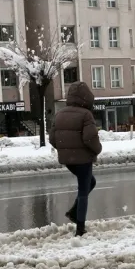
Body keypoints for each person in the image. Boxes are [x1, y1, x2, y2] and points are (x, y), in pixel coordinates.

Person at [49, 81, 103, 236]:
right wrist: (97, 149)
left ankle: (74, 212)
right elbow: (90, 138)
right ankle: (80, 228)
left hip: (68, 160)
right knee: (83, 191)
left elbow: (53, 138)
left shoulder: (60, 113)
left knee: (90, 182)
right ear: (86, 97)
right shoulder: (86, 115)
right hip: (83, 159)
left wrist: (65, 149)